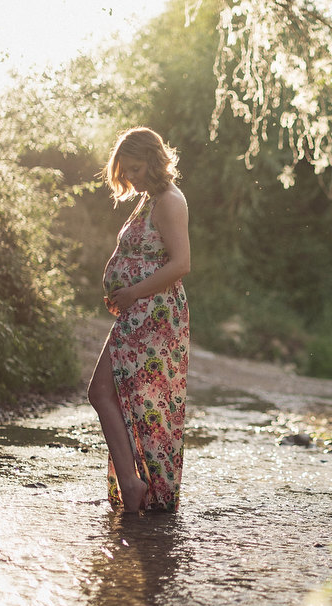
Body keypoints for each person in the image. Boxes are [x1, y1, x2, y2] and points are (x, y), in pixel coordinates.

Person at [88, 127, 191, 513]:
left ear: (155, 159)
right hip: (141, 311)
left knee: (104, 393)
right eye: (126, 169)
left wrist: (132, 292)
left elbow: (182, 264)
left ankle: (135, 484)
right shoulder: (149, 199)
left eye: (137, 167)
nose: (131, 176)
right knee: (117, 396)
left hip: (154, 312)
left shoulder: (169, 201)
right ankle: (135, 483)